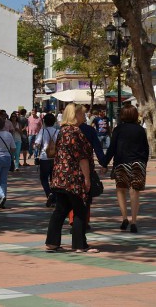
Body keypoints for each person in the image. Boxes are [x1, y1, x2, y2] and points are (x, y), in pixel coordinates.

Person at [45, 103, 99, 253]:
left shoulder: (62, 131)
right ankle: (80, 245)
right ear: (75, 116)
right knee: (80, 209)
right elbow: (82, 158)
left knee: (61, 210)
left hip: (60, 176)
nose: (84, 117)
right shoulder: (76, 132)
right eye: (82, 114)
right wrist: (87, 178)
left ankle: (52, 242)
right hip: (73, 178)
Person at [104, 104, 149, 233]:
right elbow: (145, 148)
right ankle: (134, 221)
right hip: (138, 163)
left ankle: (124, 218)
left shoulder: (118, 129)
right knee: (134, 191)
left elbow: (112, 148)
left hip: (122, 163)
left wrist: (104, 163)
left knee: (121, 189)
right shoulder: (140, 130)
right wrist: (144, 163)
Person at [34, 113, 58, 207]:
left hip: (45, 157)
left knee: (43, 178)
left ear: (44, 122)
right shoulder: (57, 131)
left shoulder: (42, 131)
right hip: (55, 158)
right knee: (54, 179)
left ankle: (49, 194)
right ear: (54, 121)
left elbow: (37, 143)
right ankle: (54, 198)